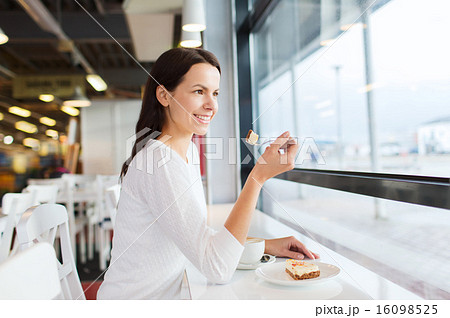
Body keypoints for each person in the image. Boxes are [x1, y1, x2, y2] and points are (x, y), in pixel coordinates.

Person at [97, 48, 319, 299]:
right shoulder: (160, 161)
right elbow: (217, 267)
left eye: (215, 93)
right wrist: (257, 177)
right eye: (198, 91)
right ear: (164, 95)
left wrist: (265, 246)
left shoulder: (187, 151)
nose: (211, 105)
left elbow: (197, 239)